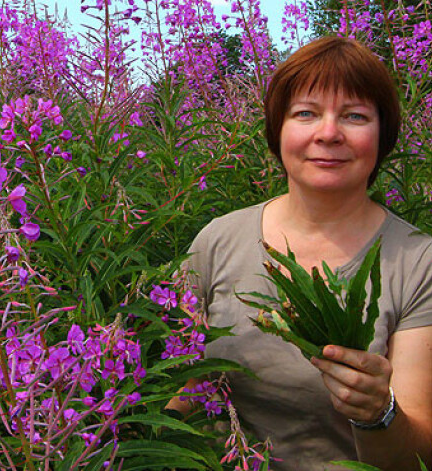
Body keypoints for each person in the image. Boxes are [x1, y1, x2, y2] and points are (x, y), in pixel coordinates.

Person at [175, 36, 432, 470]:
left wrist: (379, 414)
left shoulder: (418, 262)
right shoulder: (217, 240)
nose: (328, 133)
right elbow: (180, 389)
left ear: (382, 135)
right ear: (278, 130)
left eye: (354, 116)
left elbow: (418, 456)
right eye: (306, 113)